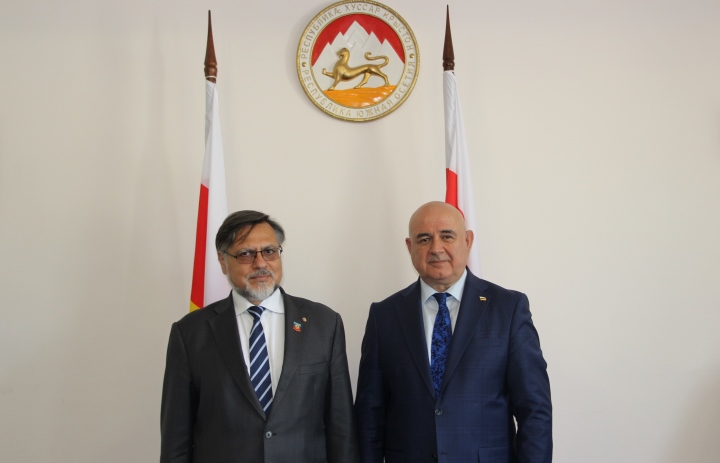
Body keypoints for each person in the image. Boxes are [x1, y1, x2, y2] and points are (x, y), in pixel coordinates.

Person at [355, 201, 552, 463]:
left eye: (447, 236)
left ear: (468, 241)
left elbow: (534, 410)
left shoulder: (509, 309)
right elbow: (369, 415)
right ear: (410, 247)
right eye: (424, 239)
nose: (436, 248)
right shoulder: (384, 316)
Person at [161, 210, 359, 463]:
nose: (260, 263)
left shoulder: (324, 324)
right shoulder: (190, 333)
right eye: (245, 254)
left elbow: (342, 428)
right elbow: (175, 439)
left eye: (269, 251)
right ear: (222, 261)